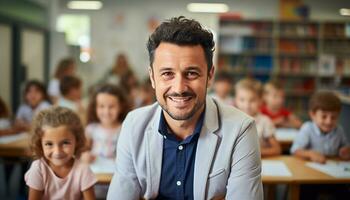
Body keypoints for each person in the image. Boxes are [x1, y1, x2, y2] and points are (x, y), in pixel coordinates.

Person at [107, 16, 263, 200]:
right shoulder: (134, 125)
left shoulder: (241, 129)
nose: (179, 88)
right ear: (152, 77)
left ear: (210, 75)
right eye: (167, 73)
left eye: (191, 73)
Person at [24, 106, 97, 200]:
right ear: (40, 143)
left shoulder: (83, 170)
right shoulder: (38, 169)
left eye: (65, 143)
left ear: (77, 141)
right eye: (49, 144)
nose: (57, 152)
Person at [291, 91, 350, 163]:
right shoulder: (307, 128)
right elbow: (295, 151)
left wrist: (345, 151)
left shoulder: (339, 130)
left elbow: (346, 147)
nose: (329, 121)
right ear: (313, 115)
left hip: (334, 166)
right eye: (324, 117)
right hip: (311, 168)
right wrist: (310, 154)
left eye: (334, 117)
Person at [81, 84, 130, 163]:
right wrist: (85, 156)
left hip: (115, 172)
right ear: (95, 108)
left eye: (111, 106)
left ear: (121, 107)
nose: (106, 111)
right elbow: (83, 150)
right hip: (96, 172)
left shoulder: (125, 129)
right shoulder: (91, 129)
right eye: (101, 106)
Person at [235, 78, 281, 157]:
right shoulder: (232, 119)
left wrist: (255, 152)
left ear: (260, 101)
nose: (247, 105)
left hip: (259, 163)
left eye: (252, 100)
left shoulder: (265, 121)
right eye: (242, 100)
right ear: (236, 100)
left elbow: (277, 149)